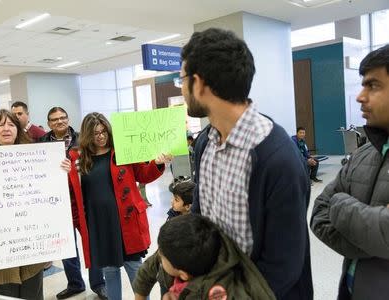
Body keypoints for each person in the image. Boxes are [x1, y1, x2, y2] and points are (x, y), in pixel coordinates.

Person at [179, 28, 313, 300]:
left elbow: (284, 265)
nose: (181, 88)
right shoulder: (206, 143)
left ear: (200, 84)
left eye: (181, 79)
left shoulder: (277, 159)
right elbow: (200, 222)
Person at [0, 109, 71, 299]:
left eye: (11, 124)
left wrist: (62, 171)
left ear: (18, 129)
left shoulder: (37, 159)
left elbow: (53, 195)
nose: (6, 128)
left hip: (31, 249)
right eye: (0, 124)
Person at [311, 44, 389, 300]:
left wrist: (340, 203)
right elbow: (319, 213)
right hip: (351, 289)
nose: (360, 96)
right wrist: (372, 241)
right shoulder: (364, 153)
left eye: (373, 85)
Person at [68, 112, 171, 300]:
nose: (100, 136)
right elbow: (74, 195)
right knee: (110, 271)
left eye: (103, 132)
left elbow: (143, 174)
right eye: (95, 133)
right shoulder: (79, 159)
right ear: (87, 135)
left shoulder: (123, 151)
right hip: (100, 225)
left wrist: (156, 163)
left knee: (135, 268)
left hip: (126, 222)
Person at [39, 107, 107, 300]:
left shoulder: (83, 139)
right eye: (54, 119)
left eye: (62, 118)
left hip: (83, 199)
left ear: (68, 120)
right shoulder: (42, 143)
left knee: (91, 242)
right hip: (58, 202)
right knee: (67, 246)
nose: (59, 122)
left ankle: (98, 283)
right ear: (49, 122)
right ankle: (75, 283)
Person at [135, 214, 275, 300]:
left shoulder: (219, 292)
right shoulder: (176, 249)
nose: (159, 254)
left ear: (183, 275)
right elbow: (146, 271)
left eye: (162, 255)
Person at [133, 179, 195, 298]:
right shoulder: (171, 217)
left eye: (176, 200)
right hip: (166, 279)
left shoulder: (195, 230)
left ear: (188, 206)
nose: (171, 201)